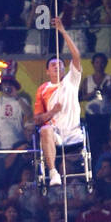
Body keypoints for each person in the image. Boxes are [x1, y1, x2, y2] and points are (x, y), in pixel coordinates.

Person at [33, 15, 83, 188]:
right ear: (47, 71)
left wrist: (62, 30)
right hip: (55, 134)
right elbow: (37, 120)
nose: (57, 66)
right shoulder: (43, 89)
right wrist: (52, 112)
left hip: (73, 132)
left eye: (60, 63)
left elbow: (76, 56)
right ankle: (53, 172)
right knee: (44, 129)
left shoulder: (71, 80)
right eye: (53, 64)